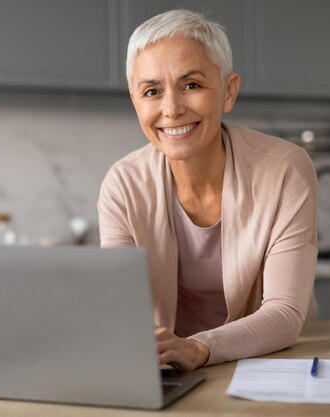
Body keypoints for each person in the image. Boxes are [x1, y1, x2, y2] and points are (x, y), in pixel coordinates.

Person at [97, 9, 317, 371]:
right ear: (136, 102)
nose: (171, 109)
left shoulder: (285, 170)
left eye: (192, 85)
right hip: (173, 369)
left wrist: (199, 348)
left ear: (228, 92)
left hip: (273, 360)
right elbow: (120, 310)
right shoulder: (122, 184)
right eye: (151, 91)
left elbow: (285, 312)